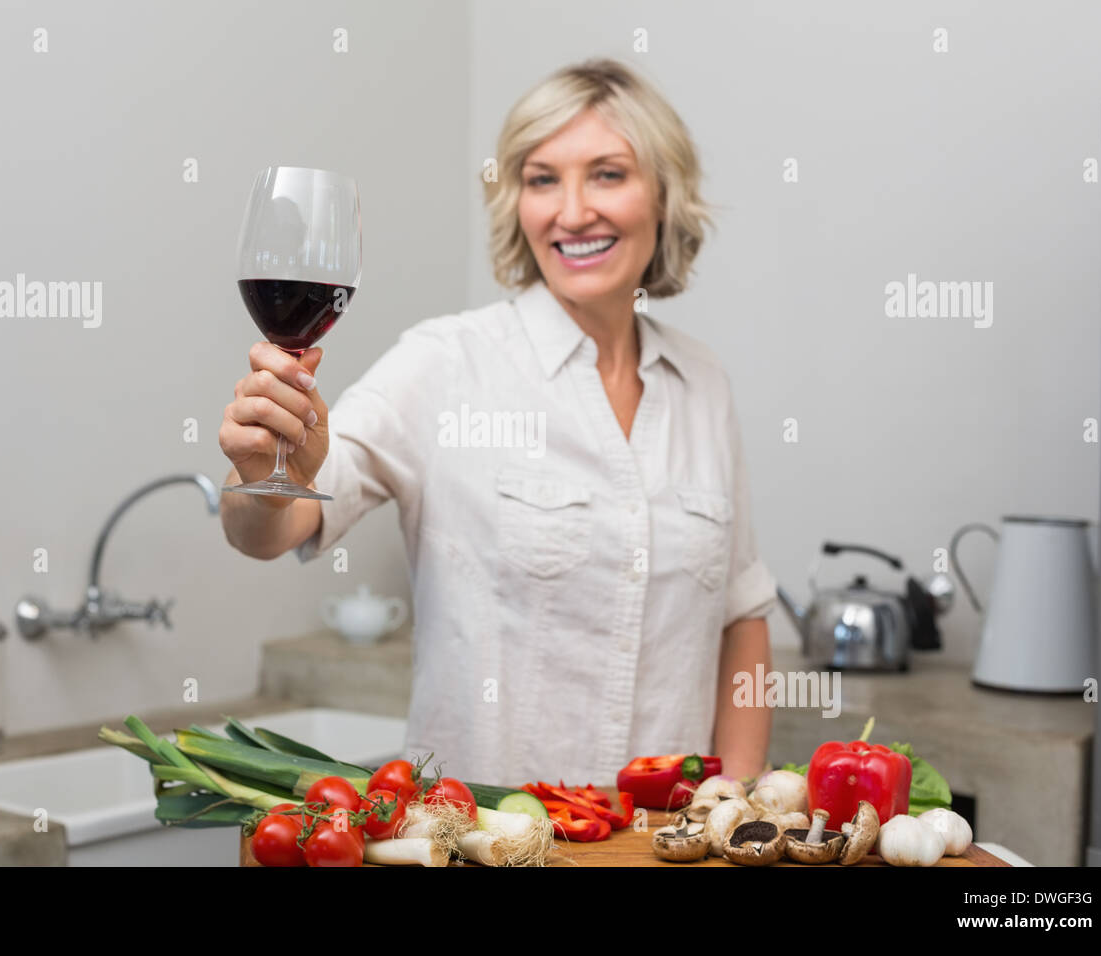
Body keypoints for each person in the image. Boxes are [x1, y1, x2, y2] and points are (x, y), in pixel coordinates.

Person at [218, 57, 778, 787]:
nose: (572, 211)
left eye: (607, 173)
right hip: (487, 844)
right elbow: (273, 532)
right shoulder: (446, 363)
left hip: (664, 847)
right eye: (542, 179)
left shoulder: (702, 384)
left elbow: (742, 616)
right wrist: (263, 471)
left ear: (665, 196)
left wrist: (736, 806)